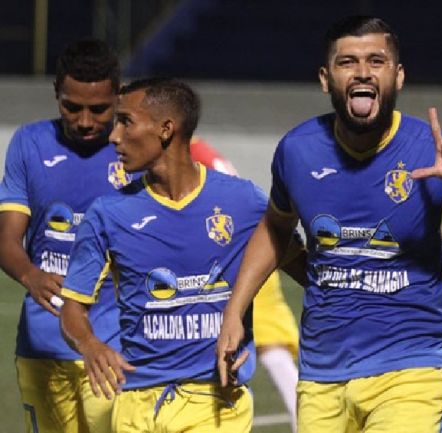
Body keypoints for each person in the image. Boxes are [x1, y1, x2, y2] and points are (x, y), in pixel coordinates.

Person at [216, 15, 442, 433]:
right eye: (347, 62)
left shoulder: (437, 153)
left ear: (398, 76)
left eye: (376, 61)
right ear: (326, 78)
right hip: (321, 377)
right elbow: (276, 229)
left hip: (409, 371)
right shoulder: (297, 151)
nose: (362, 72)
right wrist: (235, 311)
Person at [58, 78, 307, 432]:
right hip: (135, 406)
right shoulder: (107, 214)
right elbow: (72, 307)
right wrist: (88, 343)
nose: (113, 136)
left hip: (216, 403)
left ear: (165, 129)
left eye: (125, 121)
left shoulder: (243, 202)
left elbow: (310, 273)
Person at [0, 39, 124, 433]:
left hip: (115, 347)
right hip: (42, 346)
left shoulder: (136, 148)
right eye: (72, 107)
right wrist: (29, 274)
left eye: (99, 109)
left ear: (118, 99)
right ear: (57, 96)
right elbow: (7, 239)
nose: (85, 120)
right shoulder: (29, 144)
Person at [191, 135, 301, 432]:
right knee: (270, 344)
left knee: (271, 344)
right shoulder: (193, 151)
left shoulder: (193, 154)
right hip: (239, 255)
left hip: (240, 257)